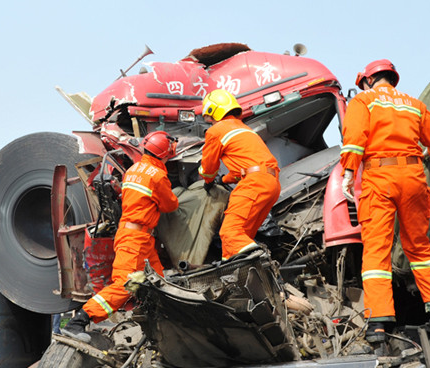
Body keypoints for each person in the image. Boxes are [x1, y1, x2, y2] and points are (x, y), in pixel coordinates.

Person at [340, 59, 430, 344]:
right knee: (419, 247)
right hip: (414, 177)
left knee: (377, 250)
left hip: (380, 177)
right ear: (392, 79)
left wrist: (348, 172)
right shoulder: (413, 104)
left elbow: (354, 138)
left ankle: (378, 322)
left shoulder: (363, 101)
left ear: (367, 80)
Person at [62, 130, 179, 340]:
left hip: (138, 238)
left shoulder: (133, 170)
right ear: (164, 153)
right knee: (125, 285)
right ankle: (79, 321)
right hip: (136, 239)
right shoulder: (157, 175)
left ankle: (163, 325)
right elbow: (171, 204)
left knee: (158, 282)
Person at [199, 89, 281, 260]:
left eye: (208, 116)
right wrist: (224, 179)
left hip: (254, 183)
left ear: (214, 111)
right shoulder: (245, 129)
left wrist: (208, 181)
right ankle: (234, 272)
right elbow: (240, 170)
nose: (209, 121)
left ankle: (260, 261)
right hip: (271, 183)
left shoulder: (216, 130)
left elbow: (208, 167)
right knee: (240, 239)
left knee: (230, 232)